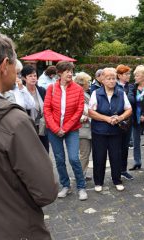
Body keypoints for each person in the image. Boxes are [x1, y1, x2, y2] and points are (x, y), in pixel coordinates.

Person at [0, 28, 57, 239]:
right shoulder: (13, 121)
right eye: (14, 66)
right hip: (14, 228)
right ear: (3, 66)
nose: (17, 73)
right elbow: (46, 191)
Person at [44, 61, 88, 201]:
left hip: (72, 129)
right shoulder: (51, 88)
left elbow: (79, 110)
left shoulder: (78, 89)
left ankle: (81, 186)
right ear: (59, 73)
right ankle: (66, 186)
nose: (70, 73)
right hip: (54, 130)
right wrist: (56, 129)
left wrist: (66, 128)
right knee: (59, 159)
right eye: (67, 71)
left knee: (74, 158)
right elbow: (47, 110)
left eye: (71, 71)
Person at [89, 68, 132, 192]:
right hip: (99, 131)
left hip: (116, 131)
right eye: (108, 78)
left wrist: (120, 117)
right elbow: (91, 112)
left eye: (113, 78)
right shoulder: (96, 93)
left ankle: (117, 180)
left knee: (116, 156)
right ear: (102, 80)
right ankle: (98, 182)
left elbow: (129, 109)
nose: (112, 81)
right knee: (99, 157)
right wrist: (106, 119)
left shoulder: (120, 92)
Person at [22, 64, 49, 152]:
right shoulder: (21, 93)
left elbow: (47, 108)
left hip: (42, 127)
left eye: (35, 75)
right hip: (28, 128)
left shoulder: (42, 91)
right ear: (24, 78)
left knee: (45, 152)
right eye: (30, 76)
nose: (33, 78)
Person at [116, 64, 135, 180]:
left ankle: (123, 170)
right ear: (119, 75)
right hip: (117, 120)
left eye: (129, 73)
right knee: (116, 147)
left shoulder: (131, 87)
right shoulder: (114, 87)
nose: (129, 76)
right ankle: (116, 171)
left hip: (128, 121)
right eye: (126, 74)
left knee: (125, 146)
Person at [74, 72, 92, 179]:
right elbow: (74, 110)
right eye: (87, 82)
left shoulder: (85, 93)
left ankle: (83, 174)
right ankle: (80, 177)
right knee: (84, 154)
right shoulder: (78, 94)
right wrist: (83, 116)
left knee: (85, 154)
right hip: (83, 128)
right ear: (82, 83)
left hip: (87, 127)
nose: (89, 84)